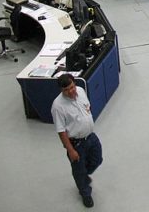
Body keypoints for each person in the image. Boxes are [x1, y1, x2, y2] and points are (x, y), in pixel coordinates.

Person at [51, 74, 103, 208]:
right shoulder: (58, 106)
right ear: (62, 91)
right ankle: (85, 194)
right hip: (77, 144)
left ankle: (84, 176)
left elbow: (87, 107)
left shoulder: (80, 90)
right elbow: (61, 131)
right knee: (79, 171)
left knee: (97, 159)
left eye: (72, 87)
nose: (71, 91)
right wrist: (70, 150)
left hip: (91, 136)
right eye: (67, 89)